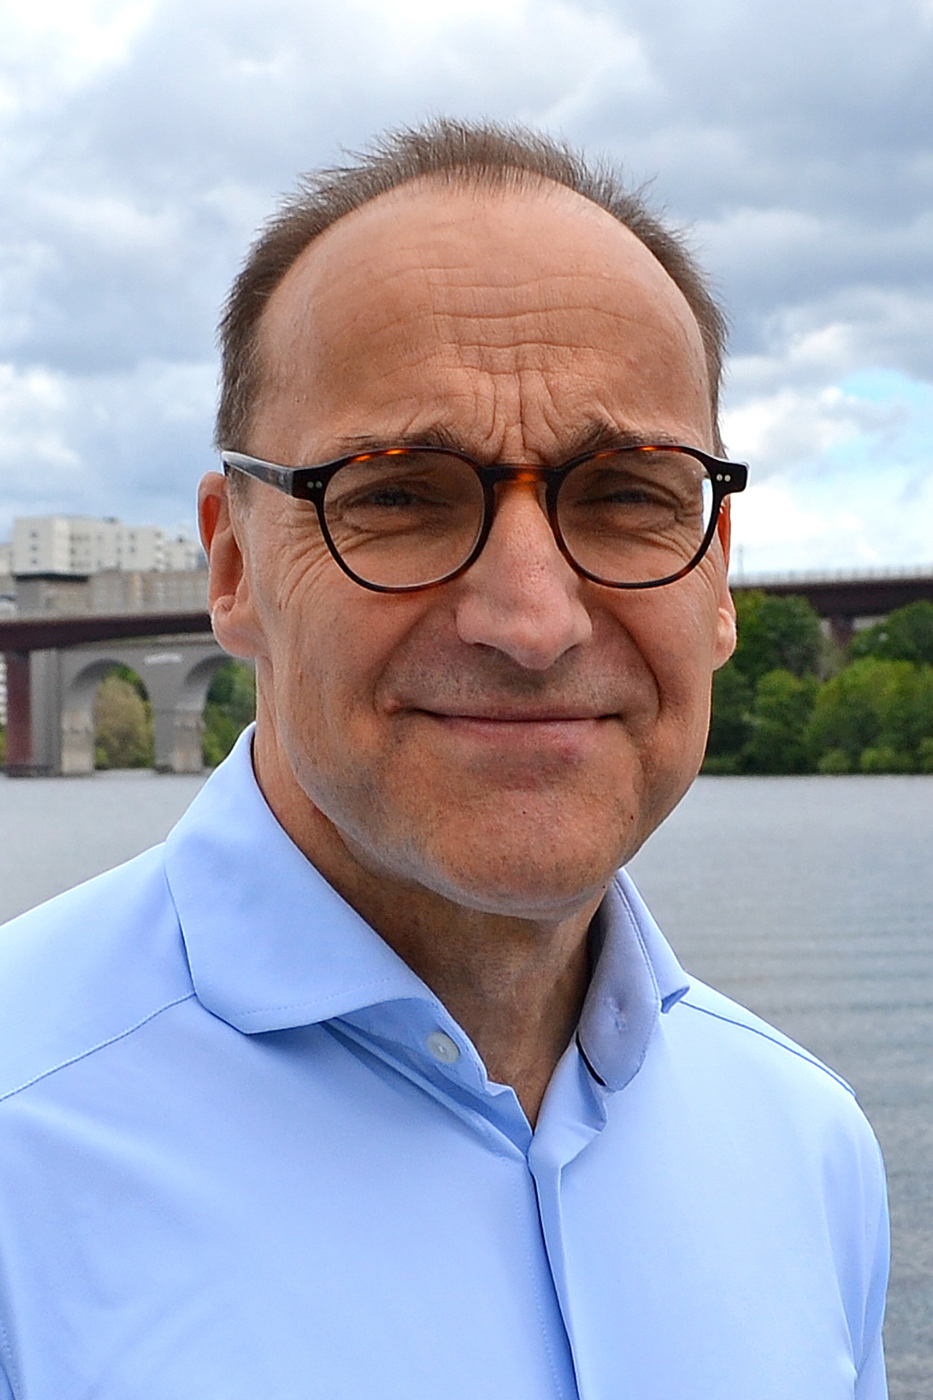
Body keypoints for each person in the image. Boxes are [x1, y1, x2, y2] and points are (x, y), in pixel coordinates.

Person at [0, 120, 887, 1398]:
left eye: (630, 493)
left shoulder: (808, 1146)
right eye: (397, 493)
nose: (531, 620)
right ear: (234, 563)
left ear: (721, 575)